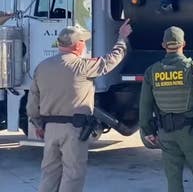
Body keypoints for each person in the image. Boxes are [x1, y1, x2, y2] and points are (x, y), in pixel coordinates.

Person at [26, 20, 132, 192]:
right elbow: (111, 60)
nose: (84, 44)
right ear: (77, 46)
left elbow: (32, 102)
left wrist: (37, 124)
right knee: (73, 174)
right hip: (74, 129)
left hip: (50, 128)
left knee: (50, 173)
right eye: (83, 41)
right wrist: (121, 38)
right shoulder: (81, 66)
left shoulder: (42, 67)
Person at [138, 26, 193, 192]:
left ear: (163, 45)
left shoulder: (152, 71)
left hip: (166, 133)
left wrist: (147, 130)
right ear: (183, 43)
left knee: (173, 178)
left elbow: (145, 104)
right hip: (192, 132)